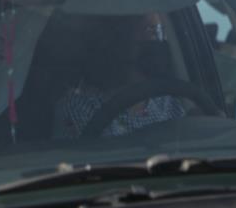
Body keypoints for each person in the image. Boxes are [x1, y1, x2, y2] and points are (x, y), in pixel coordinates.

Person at [53, 13, 186, 139]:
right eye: (150, 31)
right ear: (119, 40)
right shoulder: (80, 109)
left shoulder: (167, 104)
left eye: (160, 32)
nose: (158, 41)